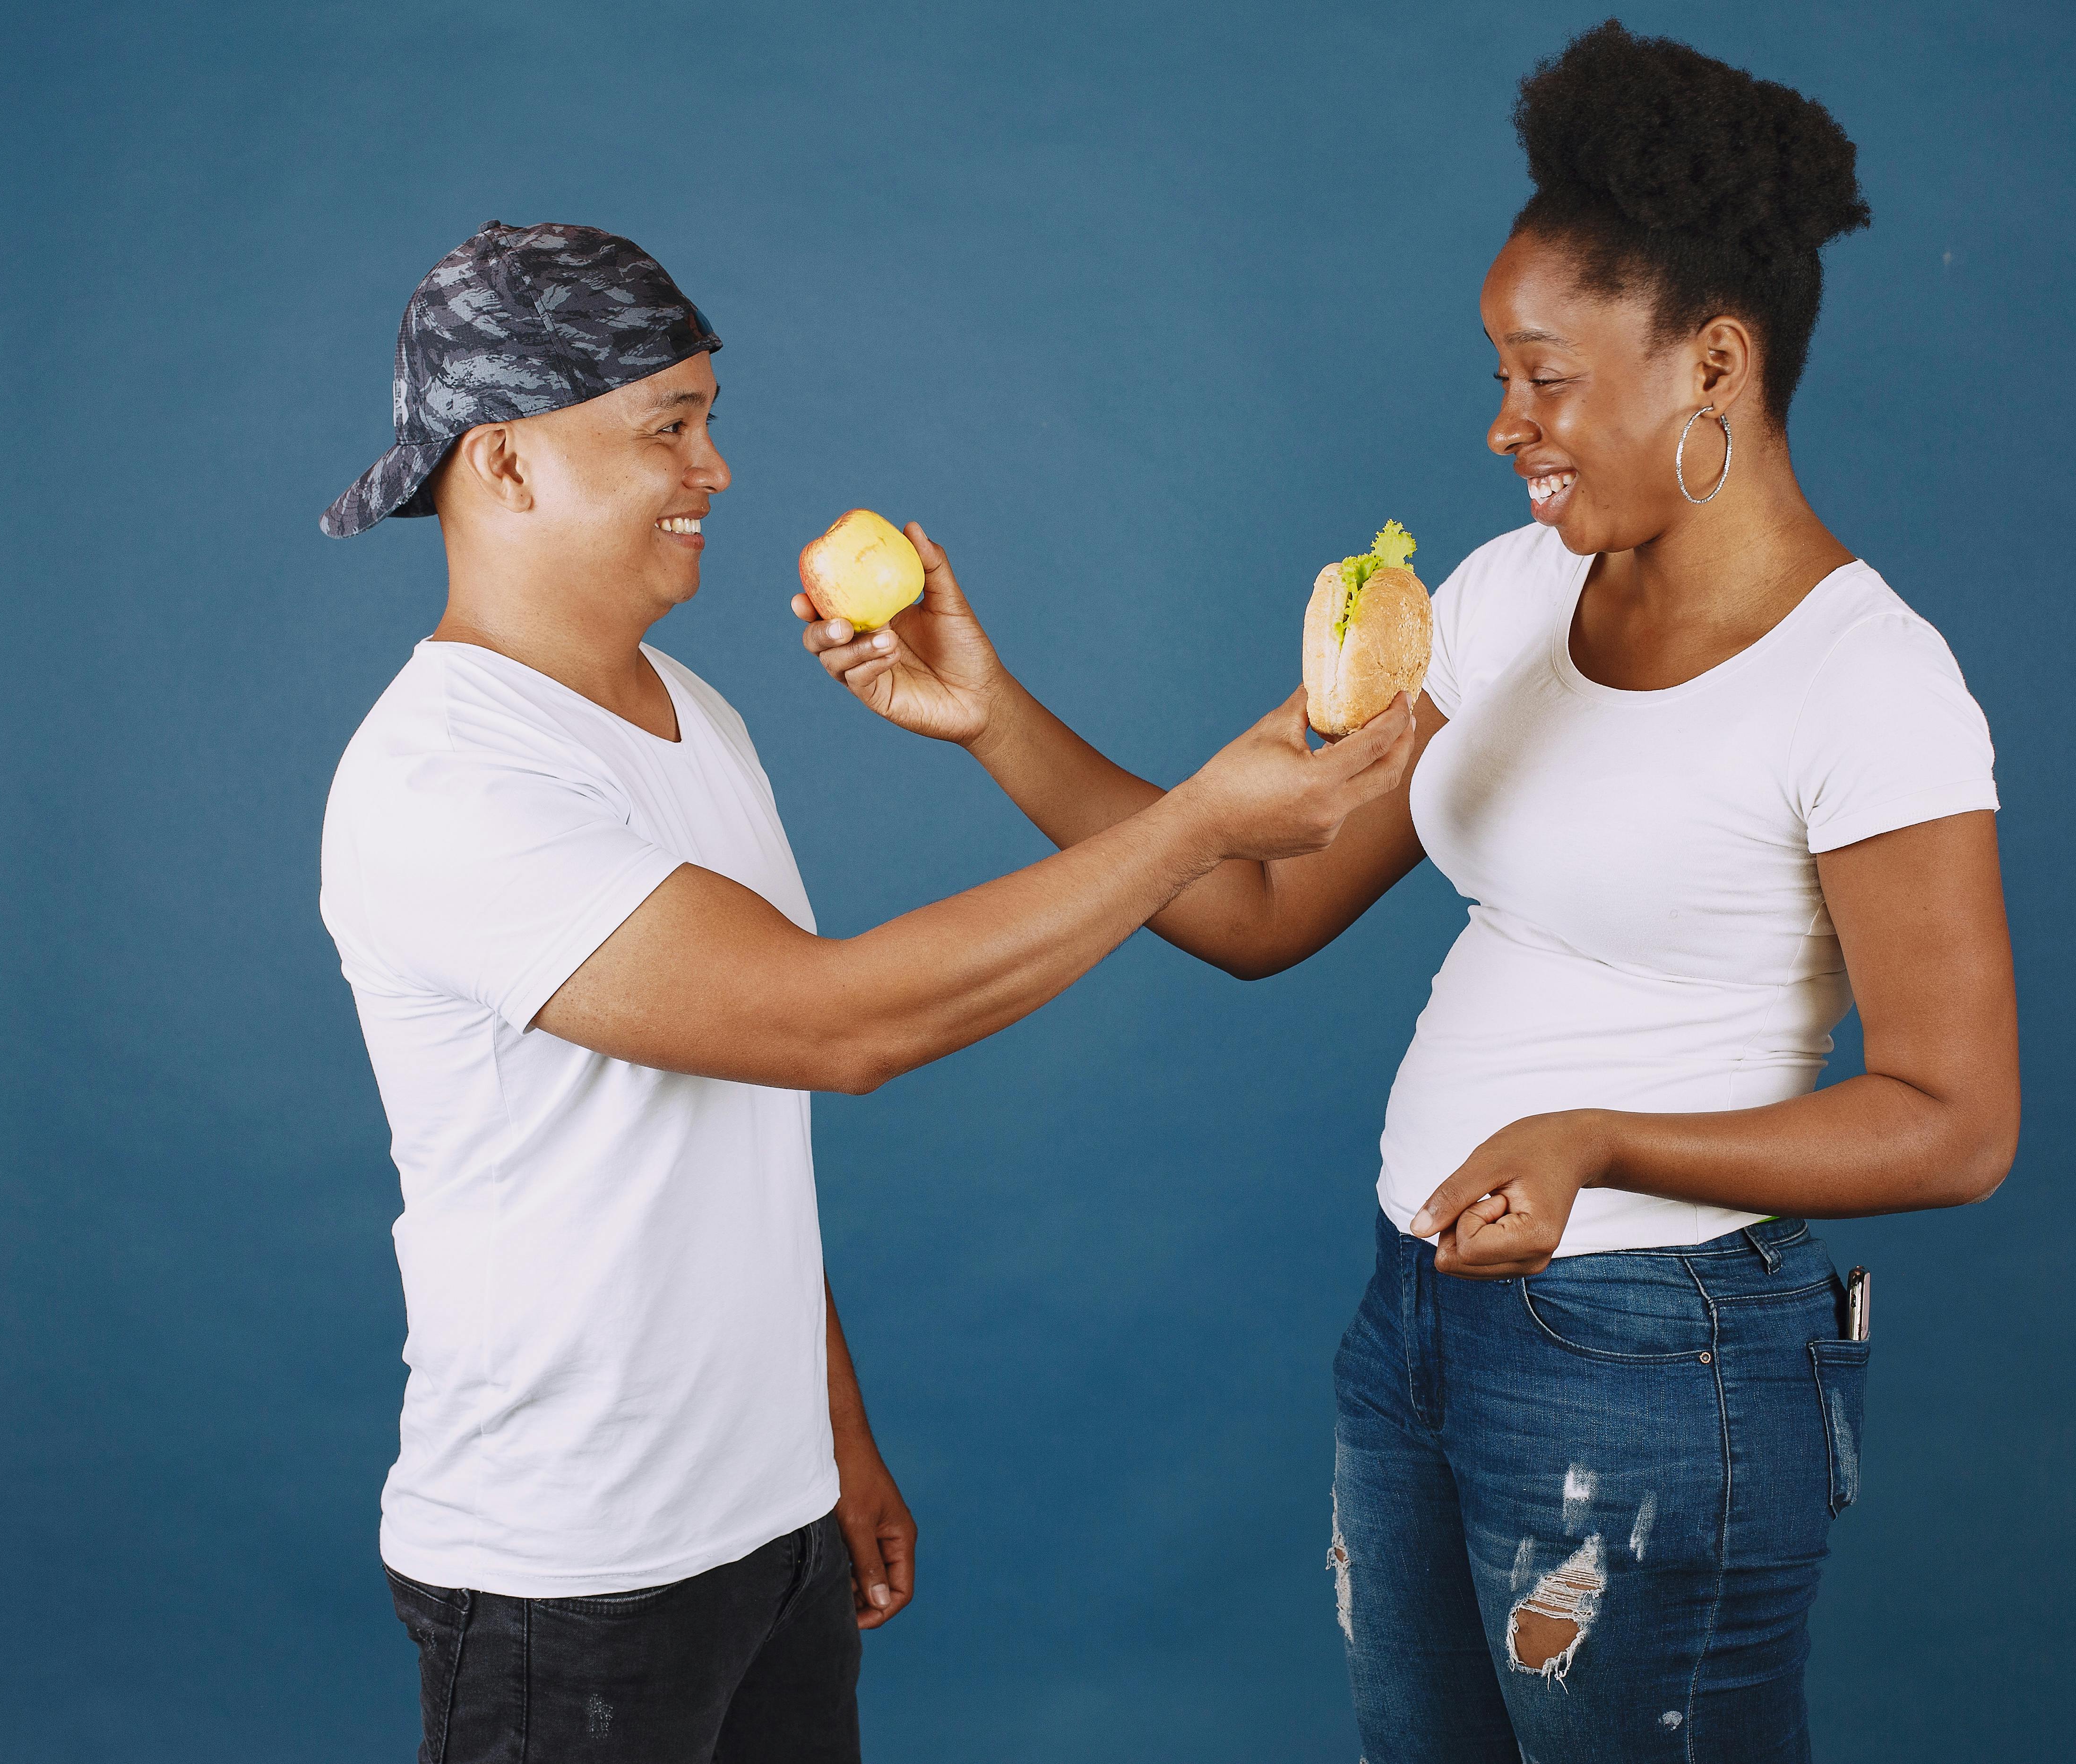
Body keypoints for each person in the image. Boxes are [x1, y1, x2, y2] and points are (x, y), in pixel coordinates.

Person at [795, 22, 2018, 1761]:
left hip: (1660, 1357)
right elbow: (1256, 907)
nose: (1503, 425)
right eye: (1500, 374)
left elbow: (1956, 1123)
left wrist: (1601, 1138)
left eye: (1547, 377)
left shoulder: (1868, 684)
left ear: (1714, 366)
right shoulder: (1510, 595)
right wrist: (989, 716)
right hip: (1420, 1317)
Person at [315, 221, 1413, 1764]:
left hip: (766, 1532)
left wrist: (822, 1447)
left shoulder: (692, 716)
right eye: (669, 429)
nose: (717, 471)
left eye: (708, 420)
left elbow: (734, 1110)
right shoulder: (449, 781)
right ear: (504, 467)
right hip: (569, 1574)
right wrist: (1198, 827)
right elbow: (836, 1026)